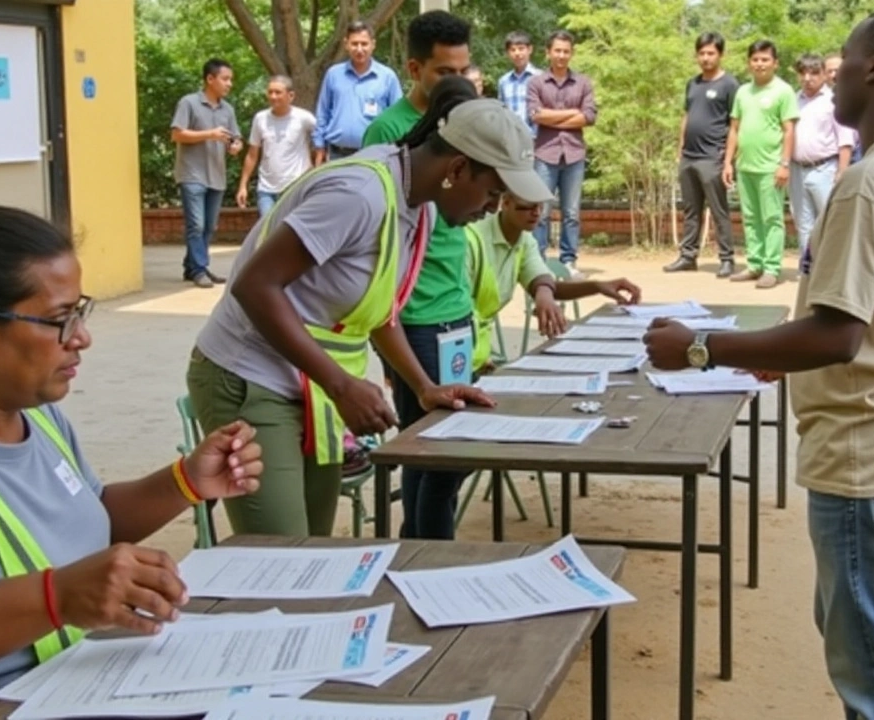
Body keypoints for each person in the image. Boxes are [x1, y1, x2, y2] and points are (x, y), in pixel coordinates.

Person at [644, 9, 874, 717]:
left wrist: (701, 348)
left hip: (870, 456)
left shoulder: (868, 182)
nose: (831, 79)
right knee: (868, 649)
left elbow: (839, 335)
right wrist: (789, 356)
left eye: (845, 63)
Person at [0, 204, 263, 720]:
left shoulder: (34, 416)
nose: (82, 337)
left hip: (83, 685)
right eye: (60, 320)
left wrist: (185, 482)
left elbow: (87, 516)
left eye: (79, 314)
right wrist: (55, 597)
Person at [188, 77, 549, 541]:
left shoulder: (420, 206)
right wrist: (341, 385)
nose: (492, 208)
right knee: (278, 557)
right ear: (457, 168)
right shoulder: (359, 194)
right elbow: (255, 286)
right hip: (249, 375)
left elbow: (379, 311)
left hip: (312, 384)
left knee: (312, 548)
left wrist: (423, 387)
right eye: (493, 193)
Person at [360, 13, 485, 540]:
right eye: (442, 73)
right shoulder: (389, 133)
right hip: (410, 315)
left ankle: (421, 546)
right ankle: (427, 555)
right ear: (414, 68)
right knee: (431, 454)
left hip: (456, 311)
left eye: (464, 71)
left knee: (450, 450)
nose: (456, 84)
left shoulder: (472, 121)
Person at [466, 194, 641, 372]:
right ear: (506, 203)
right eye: (527, 206)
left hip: (476, 357)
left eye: (540, 207)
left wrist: (596, 286)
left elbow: (541, 279)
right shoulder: (472, 239)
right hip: (462, 357)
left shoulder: (524, 239)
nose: (536, 213)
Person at [663, 32, 740, 278]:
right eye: (702, 53)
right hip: (689, 157)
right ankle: (688, 256)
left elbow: (735, 124)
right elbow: (687, 116)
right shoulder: (692, 84)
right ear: (696, 55)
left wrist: (728, 159)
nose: (706, 58)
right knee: (690, 210)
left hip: (712, 157)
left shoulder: (730, 85)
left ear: (720, 55)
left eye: (711, 53)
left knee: (719, 210)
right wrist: (680, 148)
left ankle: (727, 259)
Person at [728, 39, 798, 289]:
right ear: (749, 63)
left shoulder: (783, 91)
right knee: (749, 217)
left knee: (771, 219)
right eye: (755, 59)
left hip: (771, 167)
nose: (760, 64)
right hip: (745, 166)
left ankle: (771, 268)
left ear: (775, 63)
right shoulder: (742, 92)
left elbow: (789, 130)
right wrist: (728, 162)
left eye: (765, 59)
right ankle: (754, 264)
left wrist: (784, 164)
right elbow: (734, 129)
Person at [527, 30, 598, 277]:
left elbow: (588, 116)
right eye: (557, 50)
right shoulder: (536, 83)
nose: (561, 55)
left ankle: (569, 261)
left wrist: (551, 117)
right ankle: (538, 263)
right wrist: (571, 115)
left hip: (574, 156)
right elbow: (535, 115)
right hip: (545, 154)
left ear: (572, 53)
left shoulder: (583, 83)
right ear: (548, 52)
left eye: (566, 51)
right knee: (541, 211)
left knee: (571, 213)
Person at [171, 58, 243, 289]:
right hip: (192, 174)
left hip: (217, 175)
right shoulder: (189, 103)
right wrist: (209, 134)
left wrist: (235, 146)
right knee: (196, 224)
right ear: (210, 79)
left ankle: (191, 266)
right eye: (225, 79)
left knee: (210, 226)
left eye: (230, 79)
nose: (229, 84)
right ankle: (200, 269)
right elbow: (177, 134)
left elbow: (236, 138)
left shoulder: (228, 109)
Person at [787, 53, 853, 258]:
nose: (807, 78)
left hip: (825, 169)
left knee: (830, 221)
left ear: (824, 75)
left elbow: (845, 139)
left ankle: (832, 269)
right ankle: (808, 269)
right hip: (797, 169)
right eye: (803, 73)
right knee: (804, 223)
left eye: (814, 73)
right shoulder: (793, 100)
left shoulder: (834, 101)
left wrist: (842, 171)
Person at [312, 21, 402, 165]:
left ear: (373, 44)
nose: (359, 49)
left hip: (375, 155)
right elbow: (323, 113)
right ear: (346, 44)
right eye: (354, 44)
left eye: (364, 44)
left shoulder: (387, 77)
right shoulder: (334, 74)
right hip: (337, 154)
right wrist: (319, 147)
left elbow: (398, 117)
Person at [236, 75, 317, 217]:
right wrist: (243, 186)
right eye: (270, 92)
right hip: (266, 189)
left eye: (278, 92)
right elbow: (252, 154)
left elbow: (321, 141)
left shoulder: (304, 118)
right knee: (268, 232)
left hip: (295, 186)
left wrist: (315, 168)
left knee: (290, 232)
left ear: (290, 95)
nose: (273, 96)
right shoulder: (260, 118)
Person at [498, 31, 540, 134]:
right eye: (513, 50)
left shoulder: (540, 78)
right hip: (512, 138)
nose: (517, 53)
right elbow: (502, 111)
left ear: (530, 49)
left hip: (536, 138)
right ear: (508, 53)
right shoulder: (504, 81)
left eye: (521, 49)